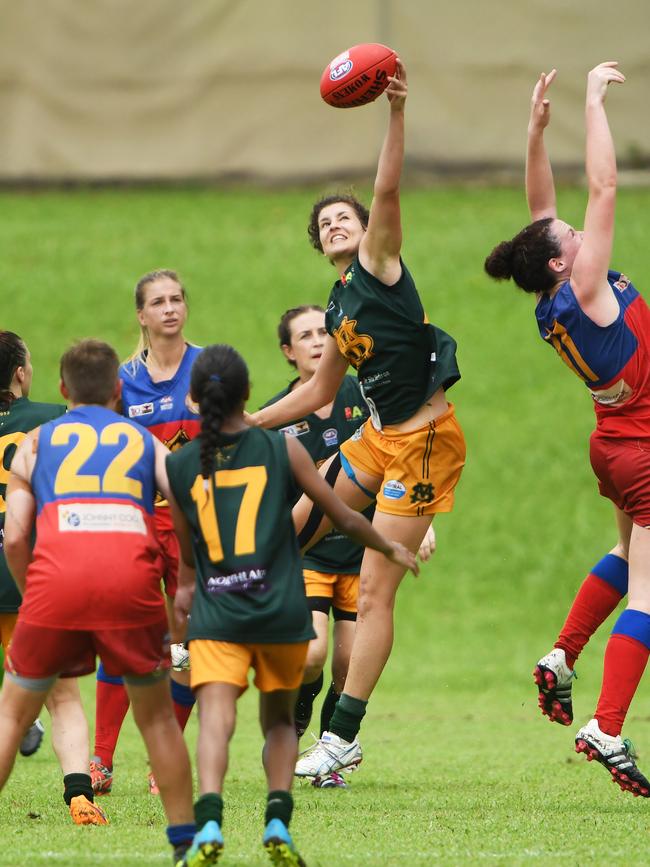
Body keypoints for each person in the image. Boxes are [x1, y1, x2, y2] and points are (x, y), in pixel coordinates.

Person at [247, 59, 465, 779]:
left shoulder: (380, 263)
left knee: (374, 587)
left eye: (345, 215)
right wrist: (249, 421)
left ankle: (343, 733)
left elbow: (387, 186)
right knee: (310, 506)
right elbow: (313, 395)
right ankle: (249, 595)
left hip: (423, 441)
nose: (336, 221)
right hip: (380, 435)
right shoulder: (339, 304)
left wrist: (396, 112)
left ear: (368, 231)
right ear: (320, 244)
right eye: (325, 221)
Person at [167, 343, 418, 867]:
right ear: (249, 394)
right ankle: (277, 820)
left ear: (194, 400)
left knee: (215, 718)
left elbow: (187, 572)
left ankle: (210, 822)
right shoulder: (282, 449)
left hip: (218, 612)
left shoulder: (181, 466)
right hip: (279, 608)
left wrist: (177, 632)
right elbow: (340, 515)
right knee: (279, 723)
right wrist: (390, 545)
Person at [484, 62, 650, 797]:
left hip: (611, 446)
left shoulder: (552, 293)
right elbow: (606, 187)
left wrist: (535, 133)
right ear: (562, 261)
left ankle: (562, 653)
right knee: (649, 591)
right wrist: (590, 102)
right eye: (572, 235)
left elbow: (542, 213)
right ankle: (608, 724)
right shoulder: (587, 286)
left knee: (623, 552)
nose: (584, 231)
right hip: (644, 450)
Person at [0, 339, 196, 862]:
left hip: (54, 580)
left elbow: (17, 536)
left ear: (63, 389)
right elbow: (183, 512)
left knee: (12, 717)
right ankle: (186, 845)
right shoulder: (143, 440)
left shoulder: (37, 441)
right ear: (117, 389)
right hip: (130, 579)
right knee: (156, 721)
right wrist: (185, 588)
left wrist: (30, 592)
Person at [265, 306, 437, 789]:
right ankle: (297, 718)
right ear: (288, 351)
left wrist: (419, 523)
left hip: (362, 551)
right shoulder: (281, 415)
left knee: (347, 663)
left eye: (325, 331)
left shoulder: (366, 396)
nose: (318, 341)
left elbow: (404, 458)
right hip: (312, 555)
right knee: (315, 653)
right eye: (305, 335)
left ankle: (328, 752)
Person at [92, 269, 201, 796]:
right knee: (121, 638)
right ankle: (101, 760)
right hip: (136, 525)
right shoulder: (123, 381)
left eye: (176, 299)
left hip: (195, 527)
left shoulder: (209, 370)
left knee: (190, 645)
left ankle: (164, 763)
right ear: (141, 314)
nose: (169, 308)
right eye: (157, 302)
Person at [0, 330, 105, 825]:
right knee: (62, 696)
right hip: (32, 579)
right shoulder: (54, 423)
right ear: (21, 373)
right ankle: (79, 795)